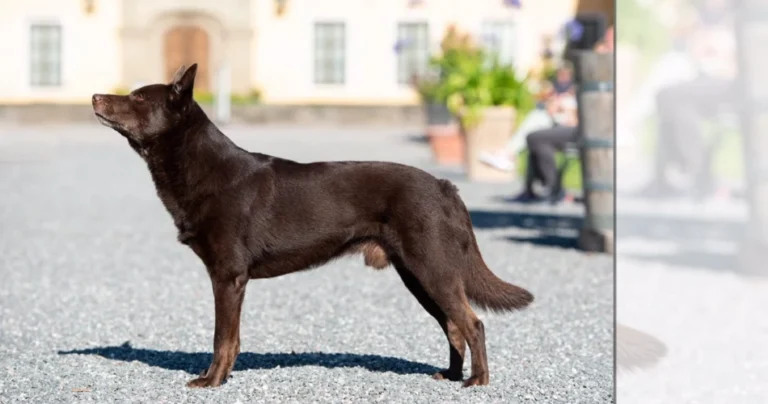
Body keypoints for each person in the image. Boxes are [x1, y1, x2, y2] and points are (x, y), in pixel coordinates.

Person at [500, 25, 613, 204]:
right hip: (579, 125)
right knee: (537, 129)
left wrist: (571, 113)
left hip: (588, 129)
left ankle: (554, 189)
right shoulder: (595, 76)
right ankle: (535, 188)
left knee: (536, 137)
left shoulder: (610, 76)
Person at [634, 0, 735, 199]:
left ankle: (687, 172)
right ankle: (690, 176)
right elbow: (695, 49)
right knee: (677, 107)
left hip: (730, 84)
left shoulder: (740, 19)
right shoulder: (702, 19)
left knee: (668, 96)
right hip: (706, 80)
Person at [478, 63, 576, 172]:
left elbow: (573, 118)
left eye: (564, 74)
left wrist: (564, 108)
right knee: (535, 127)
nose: (561, 77)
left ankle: (508, 154)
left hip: (570, 128)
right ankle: (508, 154)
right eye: (560, 74)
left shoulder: (575, 90)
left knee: (536, 133)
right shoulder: (558, 87)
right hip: (557, 122)